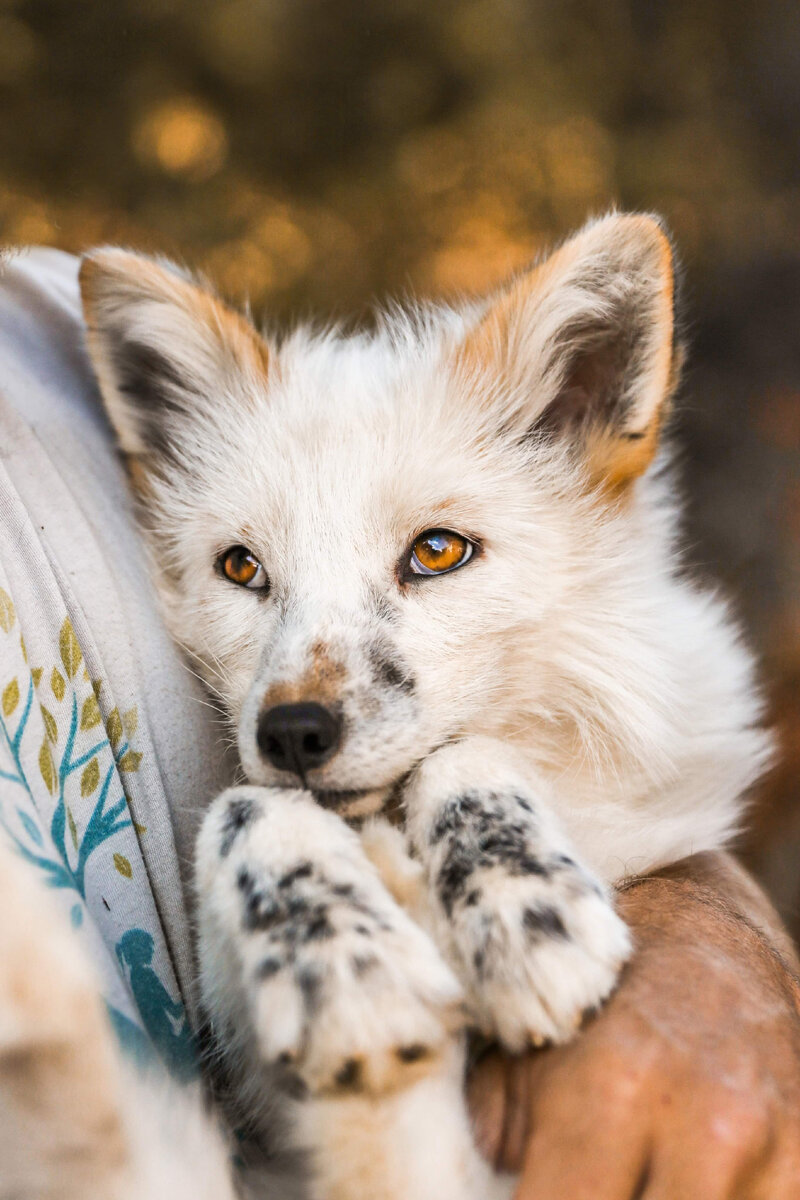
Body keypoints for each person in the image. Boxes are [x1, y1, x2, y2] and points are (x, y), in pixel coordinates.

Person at [1, 245, 798, 1198]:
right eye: (244, 572)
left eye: (435, 551)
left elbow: (670, 799)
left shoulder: (32, 331)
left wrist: (709, 939)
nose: (301, 696)